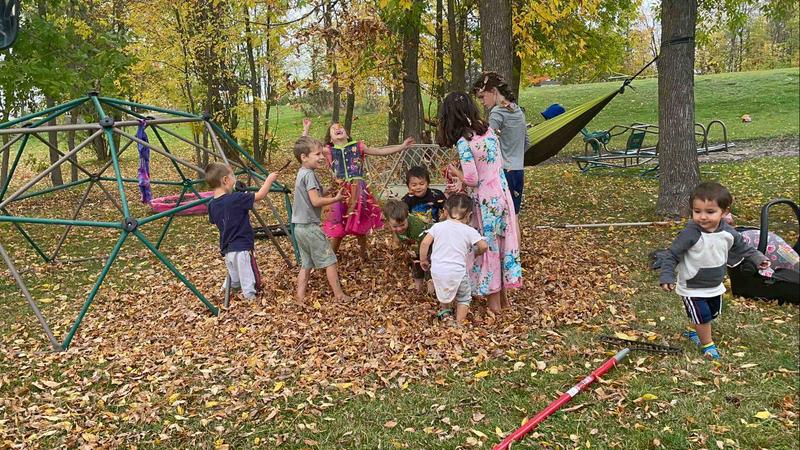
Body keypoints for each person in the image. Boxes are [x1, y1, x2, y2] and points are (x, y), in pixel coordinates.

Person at [659, 181, 769, 360]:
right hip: (692, 286)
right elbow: (671, 254)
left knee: (712, 314)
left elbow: (744, 247)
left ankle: (696, 332)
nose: (702, 217)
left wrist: (758, 259)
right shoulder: (690, 234)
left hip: (715, 284)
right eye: (697, 211)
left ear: (724, 212)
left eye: (710, 212)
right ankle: (708, 345)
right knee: (702, 316)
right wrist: (667, 276)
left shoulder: (729, 233)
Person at [437, 91, 523, 314]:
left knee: (488, 247)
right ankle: (504, 300)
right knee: (502, 245)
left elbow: (473, 179)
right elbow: (495, 164)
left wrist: (455, 171)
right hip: (502, 193)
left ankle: (494, 305)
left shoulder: (464, 142)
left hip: (485, 200)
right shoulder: (488, 131)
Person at [303, 119, 414, 258]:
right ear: (330, 138)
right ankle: (330, 258)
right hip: (340, 191)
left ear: (347, 134)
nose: (337, 128)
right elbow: (307, 147)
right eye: (333, 128)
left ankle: (363, 255)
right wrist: (306, 129)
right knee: (338, 229)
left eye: (340, 127)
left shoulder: (358, 146)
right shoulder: (328, 150)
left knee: (360, 226)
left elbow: (380, 151)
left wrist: (402, 146)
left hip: (359, 191)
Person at [206, 162, 279, 300]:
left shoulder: (211, 205)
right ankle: (250, 300)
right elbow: (260, 195)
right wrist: (269, 179)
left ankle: (224, 293)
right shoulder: (236, 199)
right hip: (242, 247)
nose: (234, 178)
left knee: (235, 279)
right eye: (232, 175)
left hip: (227, 249)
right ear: (225, 180)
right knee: (248, 278)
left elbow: (216, 220)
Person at [291, 136, 351, 304]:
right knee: (330, 260)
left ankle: (300, 297)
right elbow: (315, 201)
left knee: (307, 264)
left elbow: (315, 194)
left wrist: (329, 190)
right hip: (310, 227)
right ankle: (339, 295)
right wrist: (336, 199)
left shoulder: (302, 173)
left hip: (299, 228)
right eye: (317, 154)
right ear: (304, 157)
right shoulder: (309, 175)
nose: (322, 157)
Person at [419, 194, 488, 323]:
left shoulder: (437, 227)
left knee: (443, 292)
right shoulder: (469, 230)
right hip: (457, 271)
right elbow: (484, 246)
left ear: (445, 211)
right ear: (469, 215)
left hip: (438, 270)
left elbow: (424, 243)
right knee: (463, 297)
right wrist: (476, 252)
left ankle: (445, 313)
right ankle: (459, 323)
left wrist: (423, 260)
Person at [472, 72, 528, 215]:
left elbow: (488, 142)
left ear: (494, 92)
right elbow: (527, 142)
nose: (482, 102)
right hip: (518, 170)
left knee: (502, 217)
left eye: (482, 96)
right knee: (514, 216)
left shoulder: (497, 112)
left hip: (503, 172)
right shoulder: (518, 110)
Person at [382, 199, 433, 293]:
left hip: (428, 246)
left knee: (428, 268)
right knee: (416, 266)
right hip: (414, 246)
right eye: (395, 226)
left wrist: (422, 259)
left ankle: (431, 292)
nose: (399, 228)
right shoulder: (396, 225)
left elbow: (424, 244)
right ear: (388, 222)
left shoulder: (416, 226)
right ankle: (418, 289)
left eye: (402, 225)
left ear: (407, 217)